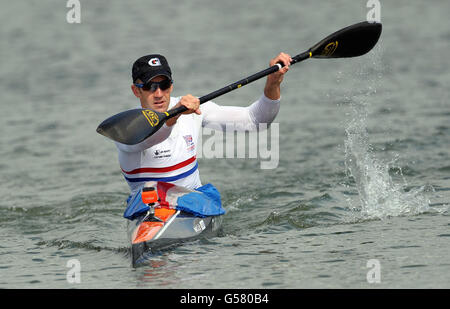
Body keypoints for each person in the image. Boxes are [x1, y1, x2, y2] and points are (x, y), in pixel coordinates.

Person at [115, 53, 291, 195]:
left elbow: (255, 121)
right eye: (150, 87)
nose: (159, 93)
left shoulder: (191, 110)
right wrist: (174, 115)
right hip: (147, 209)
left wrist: (273, 82)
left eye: (164, 84)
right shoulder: (126, 126)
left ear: (171, 85)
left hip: (192, 203)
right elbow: (150, 138)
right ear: (136, 90)